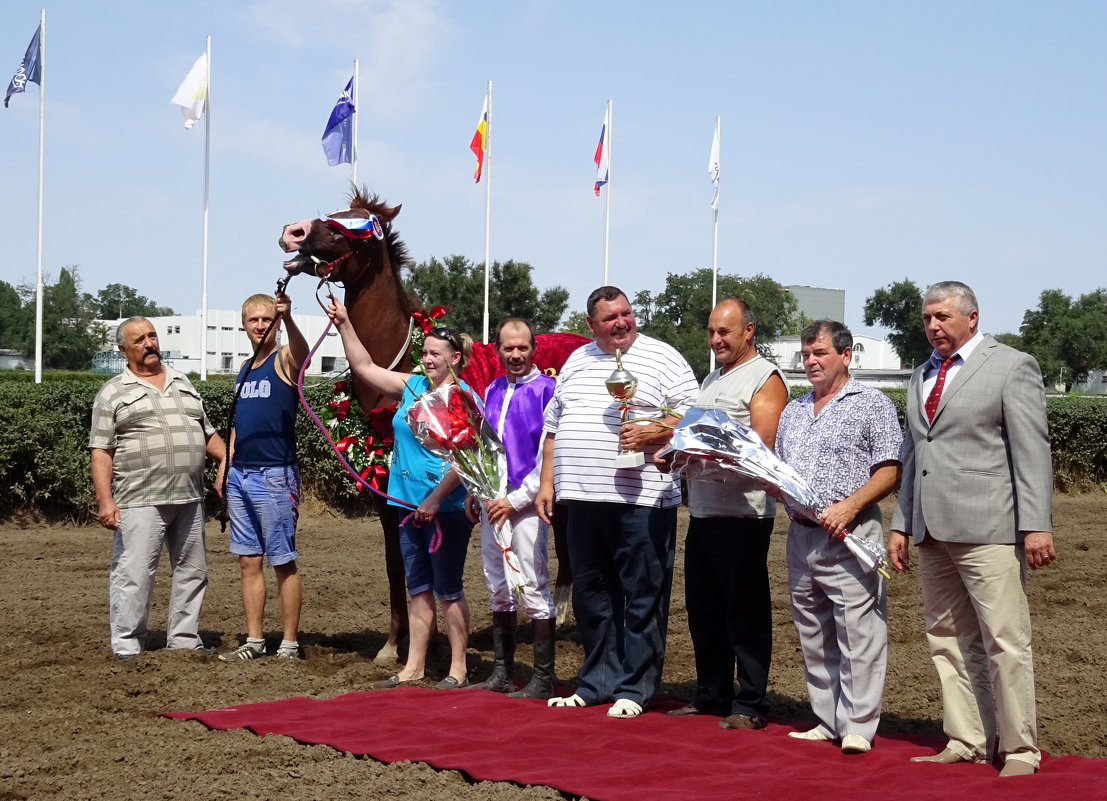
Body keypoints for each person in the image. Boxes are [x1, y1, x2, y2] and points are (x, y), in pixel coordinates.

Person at [888, 281, 1056, 777]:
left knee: (1005, 641)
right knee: (945, 638)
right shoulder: (921, 374)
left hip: (991, 530)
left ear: (972, 318)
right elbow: (914, 456)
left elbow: (1032, 451)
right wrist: (902, 522)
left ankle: (1021, 750)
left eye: (942, 317)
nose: (933, 326)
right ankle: (967, 739)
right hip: (931, 533)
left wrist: (1036, 526)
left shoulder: (1012, 365)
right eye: (927, 318)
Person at [536, 285, 698, 718]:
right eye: (610, 318)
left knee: (642, 594)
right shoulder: (576, 361)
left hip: (642, 500)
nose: (622, 322)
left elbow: (694, 415)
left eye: (626, 313)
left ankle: (635, 688)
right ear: (591, 325)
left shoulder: (663, 356)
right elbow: (553, 427)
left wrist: (655, 430)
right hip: (582, 500)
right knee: (592, 595)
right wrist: (547, 483)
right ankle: (595, 682)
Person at [327, 295, 475, 689]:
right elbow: (364, 367)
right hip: (406, 504)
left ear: (455, 359)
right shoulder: (411, 386)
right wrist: (344, 323)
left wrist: (435, 499)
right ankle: (414, 666)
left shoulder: (462, 399)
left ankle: (458, 667)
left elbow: (466, 461)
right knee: (419, 588)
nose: (427, 360)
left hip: (444, 508)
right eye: (424, 353)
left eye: (435, 354)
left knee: (448, 589)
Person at [775, 320, 901, 755]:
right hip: (801, 537)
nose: (811, 361)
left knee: (858, 634)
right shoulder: (793, 410)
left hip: (851, 533)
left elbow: (890, 468)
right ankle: (827, 719)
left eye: (821, 353)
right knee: (813, 633)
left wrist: (848, 506)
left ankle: (858, 727)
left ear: (846, 356)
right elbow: (781, 469)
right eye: (806, 354)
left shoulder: (873, 404)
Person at [666, 298, 788, 730]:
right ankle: (712, 693)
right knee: (704, 608)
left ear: (749, 331)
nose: (716, 339)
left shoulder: (765, 379)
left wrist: (696, 446)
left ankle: (751, 702)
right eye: (712, 331)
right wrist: (676, 454)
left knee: (745, 609)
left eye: (725, 333)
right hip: (703, 509)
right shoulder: (713, 377)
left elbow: (761, 448)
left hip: (743, 514)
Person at [89, 317, 227, 660]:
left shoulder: (183, 382)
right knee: (134, 573)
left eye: (152, 336)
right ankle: (127, 644)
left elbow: (207, 434)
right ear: (123, 350)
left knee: (193, 572)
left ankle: (183, 639)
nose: (149, 343)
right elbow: (101, 451)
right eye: (139, 340)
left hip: (190, 496)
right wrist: (105, 501)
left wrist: (227, 460)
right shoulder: (112, 393)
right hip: (139, 499)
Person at [466, 318, 558, 699]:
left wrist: (517, 499)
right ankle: (503, 671)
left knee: (533, 584)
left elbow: (549, 456)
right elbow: (485, 448)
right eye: (508, 348)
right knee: (497, 585)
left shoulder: (548, 391)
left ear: (533, 348)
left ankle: (542, 676)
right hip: (493, 502)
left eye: (522, 348)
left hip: (525, 505)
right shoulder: (493, 389)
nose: (516, 355)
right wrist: (477, 490)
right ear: (498, 350)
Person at [218, 291, 309, 662]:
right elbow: (239, 424)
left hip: (275, 476)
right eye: (253, 320)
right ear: (243, 324)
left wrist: (288, 319)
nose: (259, 325)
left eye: (266, 319)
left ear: (275, 322)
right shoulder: (245, 368)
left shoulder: (284, 359)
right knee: (248, 561)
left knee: (282, 560)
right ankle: (254, 640)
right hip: (240, 476)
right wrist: (226, 464)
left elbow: (303, 354)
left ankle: (288, 642)